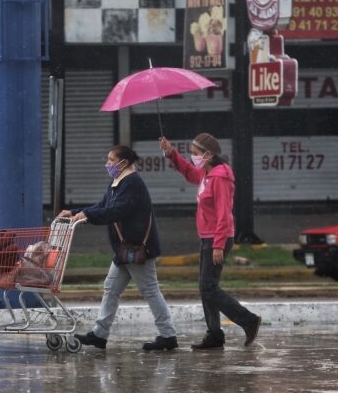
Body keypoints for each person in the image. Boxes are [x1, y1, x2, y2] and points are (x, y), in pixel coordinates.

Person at [57, 145, 178, 351]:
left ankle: (168, 335)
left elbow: (116, 211)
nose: (108, 164)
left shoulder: (132, 184)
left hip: (138, 248)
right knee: (111, 288)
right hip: (124, 249)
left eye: (111, 160)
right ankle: (99, 334)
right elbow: (102, 205)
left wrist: (88, 216)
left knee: (149, 290)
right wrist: (76, 212)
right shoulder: (118, 182)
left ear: (123, 163)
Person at [159, 133, 261, 350]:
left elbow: (224, 214)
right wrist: (170, 153)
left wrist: (218, 244)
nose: (193, 157)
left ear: (208, 154)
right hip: (207, 236)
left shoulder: (220, 177)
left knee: (208, 287)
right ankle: (214, 334)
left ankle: (248, 320)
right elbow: (189, 171)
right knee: (206, 287)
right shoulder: (207, 174)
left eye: (195, 154)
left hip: (217, 238)